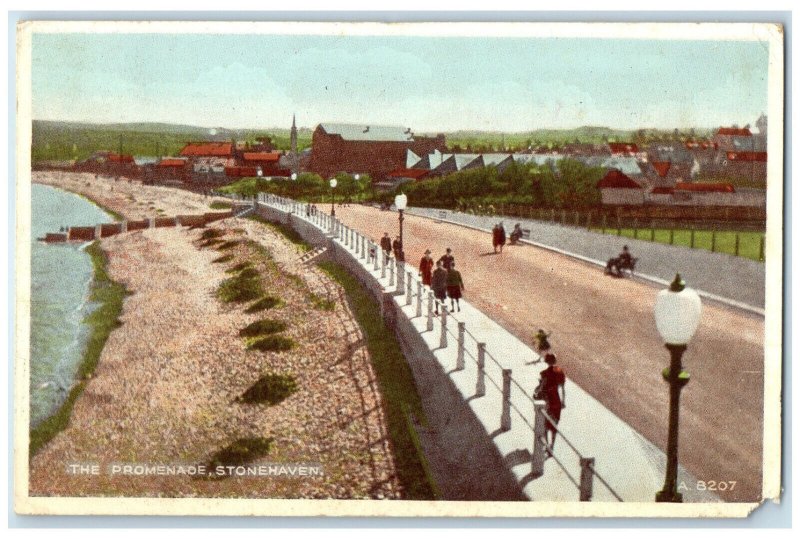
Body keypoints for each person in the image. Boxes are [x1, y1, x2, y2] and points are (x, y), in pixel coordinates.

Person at [536, 353, 566, 451]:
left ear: (547, 361)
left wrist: (537, 392)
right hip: (556, 400)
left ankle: (547, 444)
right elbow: (562, 388)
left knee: (545, 423)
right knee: (554, 424)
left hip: (547, 400)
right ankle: (552, 445)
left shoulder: (544, 373)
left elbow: (542, 386)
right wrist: (563, 401)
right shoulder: (560, 372)